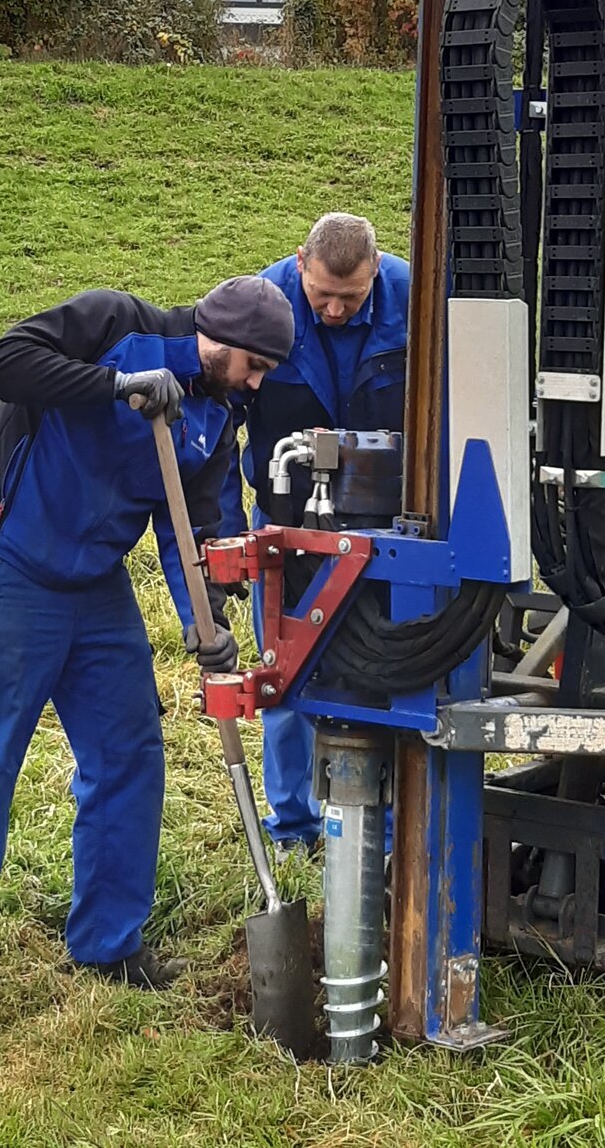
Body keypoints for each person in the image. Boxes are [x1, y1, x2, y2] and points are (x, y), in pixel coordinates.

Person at [0, 275, 295, 1054]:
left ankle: (108, 940)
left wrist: (207, 625)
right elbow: (1, 363)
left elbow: (194, 531)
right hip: (8, 562)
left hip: (95, 585)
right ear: (219, 338)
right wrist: (116, 383)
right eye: (254, 366)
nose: (257, 384)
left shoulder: (214, 418)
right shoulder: (114, 324)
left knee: (129, 754)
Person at [227, 214, 409, 857]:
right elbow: (224, 427)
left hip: (389, 528)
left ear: (377, 271)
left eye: (351, 298)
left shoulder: (414, 305)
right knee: (287, 673)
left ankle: (390, 833)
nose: (334, 310)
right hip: (284, 526)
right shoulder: (257, 308)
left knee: (390, 670)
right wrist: (226, 536)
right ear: (300, 262)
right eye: (323, 295)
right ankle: (295, 831)